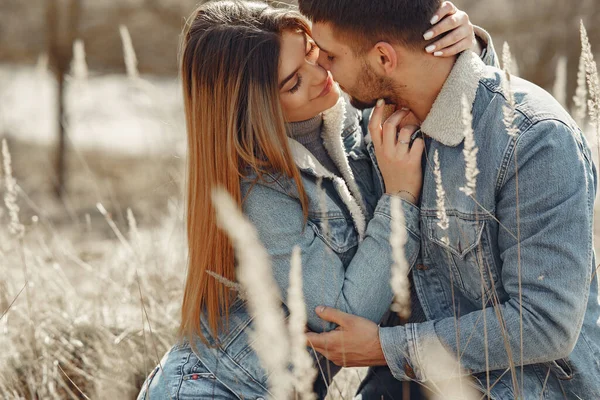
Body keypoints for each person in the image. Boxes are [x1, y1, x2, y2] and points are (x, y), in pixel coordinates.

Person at [136, 1, 496, 399]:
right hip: (214, 389)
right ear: (253, 108)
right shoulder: (258, 191)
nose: (320, 74)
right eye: (292, 83)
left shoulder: (349, 121)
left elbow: (439, 104)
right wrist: (399, 199)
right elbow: (341, 317)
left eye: (311, 53)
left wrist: (464, 48)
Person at [297, 0, 600, 399]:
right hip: (406, 387)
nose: (324, 69)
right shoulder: (378, 129)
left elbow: (545, 323)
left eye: (331, 55)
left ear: (384, 56)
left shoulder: (536, 139)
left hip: (521, 388)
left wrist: (383, 348)